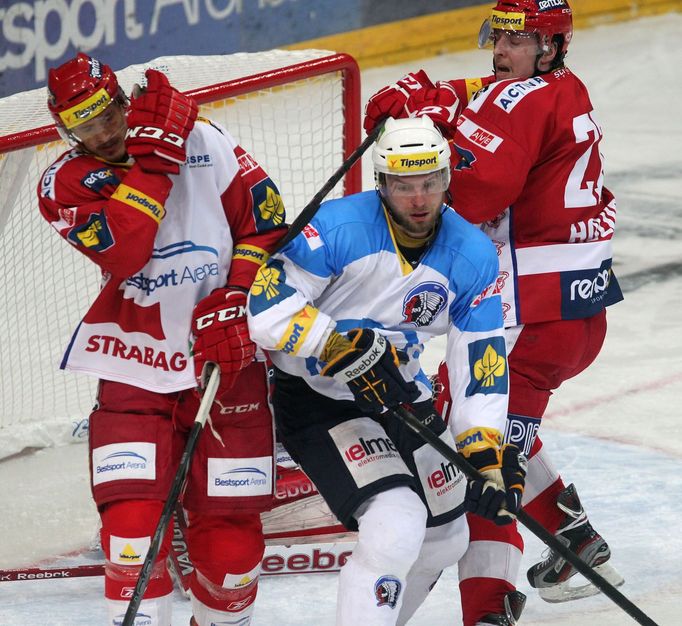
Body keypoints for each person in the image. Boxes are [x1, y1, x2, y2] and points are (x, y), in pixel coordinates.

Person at [363, 0, 625, 623]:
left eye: (515, 41)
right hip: (573, 311)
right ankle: (575, 543)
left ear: (550, 47)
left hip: (528, 316)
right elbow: (486, 96)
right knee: (494, 429)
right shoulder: (561, 87)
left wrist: (423, 135)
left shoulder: (524, 98)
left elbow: (478, 191)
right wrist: (437, 98)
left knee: (476, 451)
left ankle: (488, 607)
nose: (498, 53)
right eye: (497, 38)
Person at [37, 53, 287, 626]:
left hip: (225, 362)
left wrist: (236, 296)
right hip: (134, 365)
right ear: (64, 130)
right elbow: (128, 250)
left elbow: (268, 224)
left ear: (124, 100)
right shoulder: (65, 182)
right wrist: (154, 162)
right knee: (131, 539)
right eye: (82, 125)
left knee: (232, 553)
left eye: (105, 114)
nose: (100, 134)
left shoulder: (206, 139)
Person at [247, 115, 527, 626]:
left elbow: (480, 363)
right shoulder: (337, 227)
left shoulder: (472, 254)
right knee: (397, 522)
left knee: (447, 537)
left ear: (446, 178)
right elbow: (266, 307)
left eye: (429, 183)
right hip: (318, 397)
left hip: (400, 392)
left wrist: (485, 452)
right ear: (381, 184)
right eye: (403, 186)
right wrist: (334, 345)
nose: (418, 200)